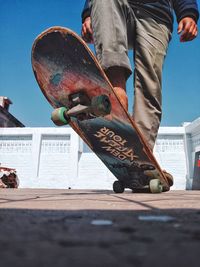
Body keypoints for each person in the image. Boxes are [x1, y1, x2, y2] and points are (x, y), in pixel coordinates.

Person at [81, 0, 199, 184]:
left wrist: (188, 13)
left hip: (157, 15)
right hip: (117, 7)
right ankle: (117, 90)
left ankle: (141, 155)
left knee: (149, 80)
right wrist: (89, 13)